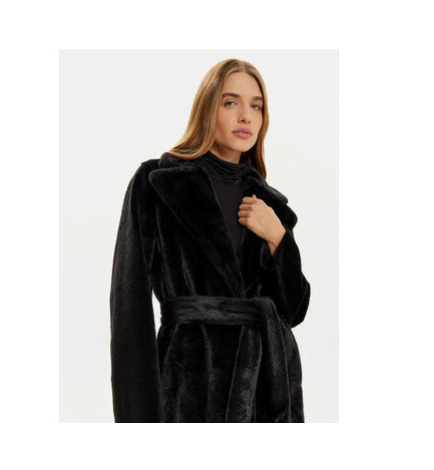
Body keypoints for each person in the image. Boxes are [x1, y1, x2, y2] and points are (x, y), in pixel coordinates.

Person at [109, 58, 311, 423]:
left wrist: (279, 239)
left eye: (256, 106)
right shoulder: (157, 183)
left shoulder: (270, 206)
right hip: (190, 383)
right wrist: (137, 419)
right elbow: (129, 309)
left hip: (264, 392)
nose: (246, 116)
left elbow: (294, 310)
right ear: (207, 108)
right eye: (231, 102)